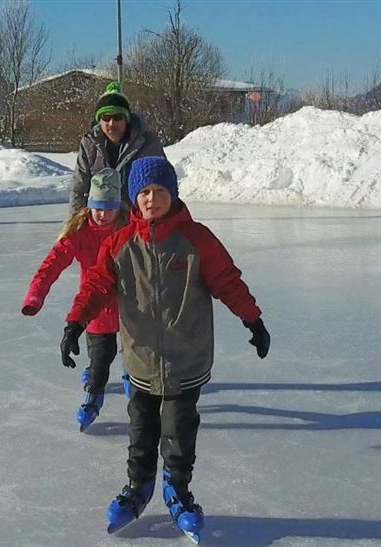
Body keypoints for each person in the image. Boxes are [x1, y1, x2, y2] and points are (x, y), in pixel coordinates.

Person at [60, 156, 271, 540]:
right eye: (143, 192)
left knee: (178, 432)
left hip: (185, 359)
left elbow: (227, 280)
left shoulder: (197, 239)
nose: (151, 199)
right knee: (141, 432)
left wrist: (252, 319)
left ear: (172, 194)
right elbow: (94, 286)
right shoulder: (120, 243)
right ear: (133, 199)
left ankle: (178, 491)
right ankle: (137, 489)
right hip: (140, 360)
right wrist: (74, 324)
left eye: (159, 191)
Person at [22, 168, 127, 431]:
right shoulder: (79, 234)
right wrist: (35, 296)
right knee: (101, 359)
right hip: (95, 310)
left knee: (133, 351)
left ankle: (131, 374)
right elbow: (51, 265)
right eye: (98, 208)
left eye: (109, 208)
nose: (103, 215)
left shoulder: (129, 228)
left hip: (130, 308)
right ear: (90, 205)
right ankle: (93, 395)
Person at [69, 81, 166, 215]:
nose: (111, 123)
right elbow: (79, 188)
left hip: (136, 219)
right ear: (99, 120)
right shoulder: (89, 144)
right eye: (106, 117)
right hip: (102, 219)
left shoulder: (148, 143)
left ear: (126, 118)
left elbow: (162, 186)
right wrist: (76, 225)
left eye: (117, 117)